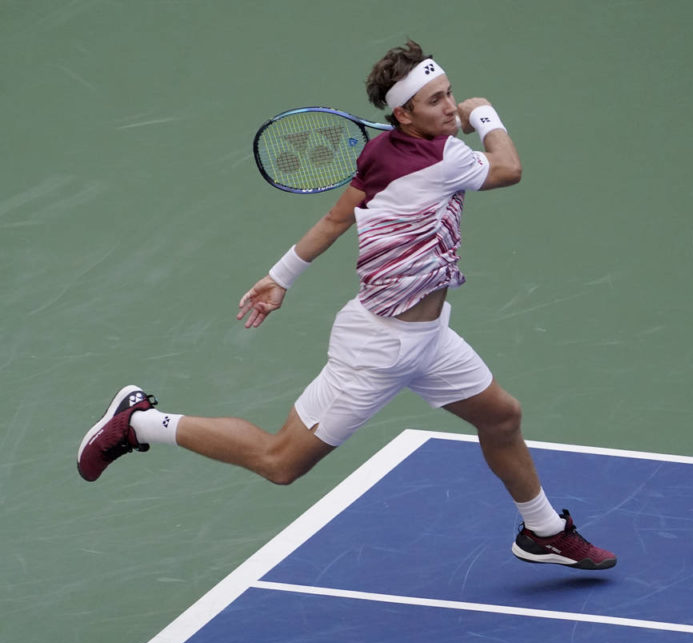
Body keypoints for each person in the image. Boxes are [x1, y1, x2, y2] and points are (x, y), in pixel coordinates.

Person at [77, 41, 616, 570]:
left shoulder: (381, 154)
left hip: (429, 340)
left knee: (501, 417)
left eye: (451, 94)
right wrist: (485, 114)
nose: (451, 107)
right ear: (403, 114)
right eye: (436, 101)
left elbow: (337, 219)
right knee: (280, 462)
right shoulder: (445, 158)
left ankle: (544, 531)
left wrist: (280, 278)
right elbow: (509, 167)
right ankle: (139, 423)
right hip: (378, 348)